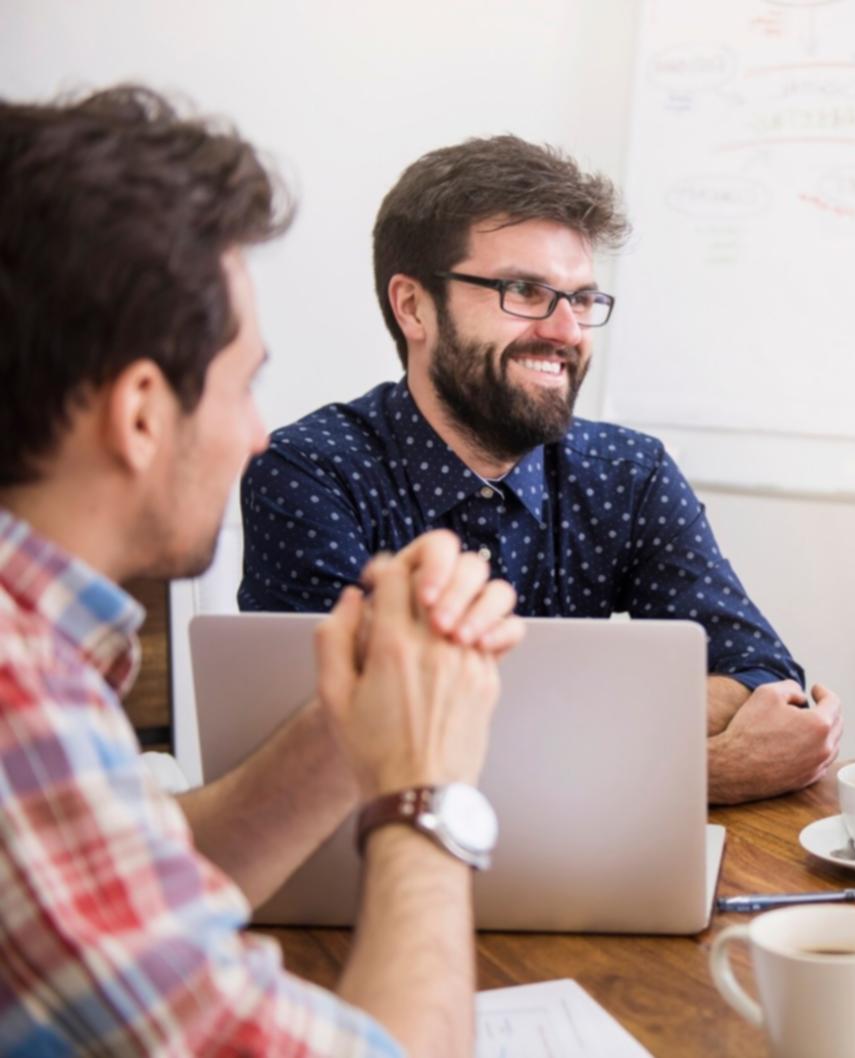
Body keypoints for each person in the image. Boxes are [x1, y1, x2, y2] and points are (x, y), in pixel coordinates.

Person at [0, 86, 526, 1055]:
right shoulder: (17, 700)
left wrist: (353, 715)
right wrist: (425, 795)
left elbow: (124, 881)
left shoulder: (33, 660)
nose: (255, 435)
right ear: (143, 411)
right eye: (243, 383)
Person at [236, 135, 842, 804]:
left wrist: (523, 740)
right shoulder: (310, 473)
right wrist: (694, 773)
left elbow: (761, 680)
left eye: (580, 300)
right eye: (524, 291)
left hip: (595, 880)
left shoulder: (627, 472)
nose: (567, 332)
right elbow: (342, 754)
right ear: (413, 306)